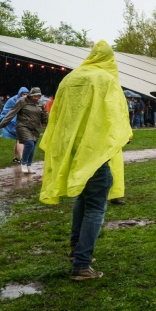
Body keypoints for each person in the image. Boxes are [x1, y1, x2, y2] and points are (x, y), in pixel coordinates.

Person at [39, 41, 132, 281]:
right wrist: (123, 135)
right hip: (93, 150)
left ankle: (75, 250)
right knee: (95, 206)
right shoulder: (105, 80)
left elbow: (58, 113)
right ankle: (81, 264)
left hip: (71, 148)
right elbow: (115, 113)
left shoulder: (69, 79)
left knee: (83, 196)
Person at [0, 87, 48, 174]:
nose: (36, 98)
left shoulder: (40, 103)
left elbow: (44, 115)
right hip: (23, 126)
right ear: (31, 95)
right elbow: (11, 113)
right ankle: (23, 163)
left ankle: (29, 165)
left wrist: (49, 123)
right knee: (29, 143)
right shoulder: (22, 101)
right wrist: (2, 124)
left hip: (35, 128)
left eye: (38, 96)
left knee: (33, 147)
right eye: (35, 96)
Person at [0, 87, 29, 163]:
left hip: (18, 122)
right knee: (20, 140)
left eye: (27, 94)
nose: (25, 96)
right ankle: (23, 159)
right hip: (13, 122)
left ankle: (15, 158)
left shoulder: (25, 101)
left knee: (18, 140)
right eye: (24, 94)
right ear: (20, 94)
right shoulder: (13, 100)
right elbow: (8, 111)